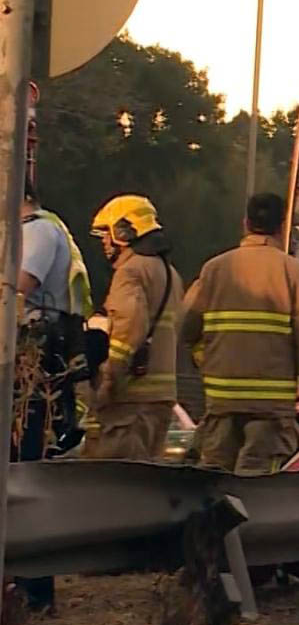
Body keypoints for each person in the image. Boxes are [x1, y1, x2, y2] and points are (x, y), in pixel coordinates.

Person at [182, 193, 299, 475]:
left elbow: (187, 330)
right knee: (257, 485)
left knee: (215, 482)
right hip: (270, 409)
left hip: (221, 402)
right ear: (282, 226)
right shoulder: (294, 273)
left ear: (245, 223)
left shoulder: (214, 269)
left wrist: (207, 362)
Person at [12, 184, 93, 615]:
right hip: (24, 363)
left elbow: (18, 285)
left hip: (33, 364)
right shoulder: (25, 232)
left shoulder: (39, 232)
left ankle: (34, 590)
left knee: (24, 471)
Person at [85, 194, 183, 461]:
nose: (104, 242)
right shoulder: (170, 273)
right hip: (161, 400)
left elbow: (130, 328)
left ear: (125, 231)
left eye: (107, 233)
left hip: (130, 402)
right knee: (145, 488)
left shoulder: (130, 272)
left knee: (118, 488)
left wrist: (109, 379)